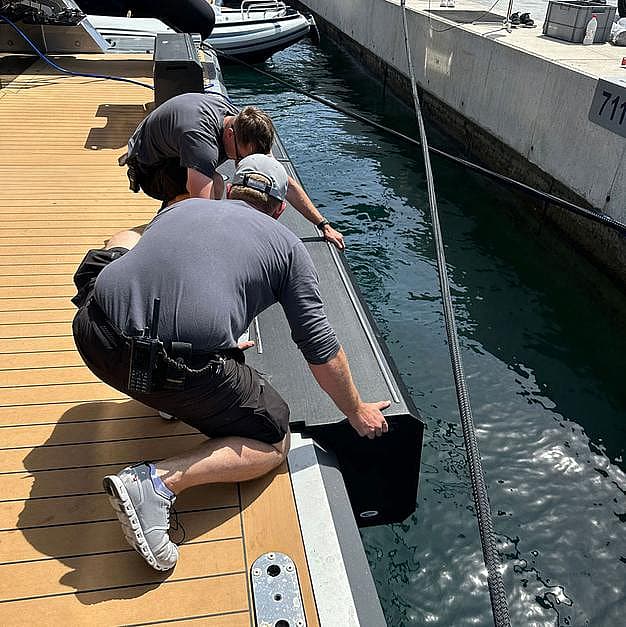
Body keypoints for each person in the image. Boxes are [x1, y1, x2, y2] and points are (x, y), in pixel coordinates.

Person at [71, 154, 388, 571]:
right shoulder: (288, 249)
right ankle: (157, 483)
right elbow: (320, 347)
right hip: (159, 366)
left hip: (92, 332)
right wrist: (356, 411)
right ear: (279, 209)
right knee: (273, 438)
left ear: (231, 189)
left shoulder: (182, 208)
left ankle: (168, 402)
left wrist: (214, 334)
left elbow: (172, 272)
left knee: (126, 240)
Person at [123, 91, 345, 249]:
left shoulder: (241, 123)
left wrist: (323, 224)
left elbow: (284, 181)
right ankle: (169, 234)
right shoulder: (201, 142)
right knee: (215, 184)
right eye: (242, 158)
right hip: (150, 169)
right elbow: (201, 207)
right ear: (230, 134)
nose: (244, 163)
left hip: (171, 149)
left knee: (214, 182)